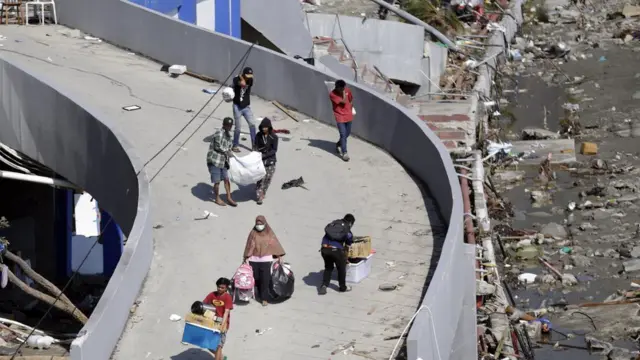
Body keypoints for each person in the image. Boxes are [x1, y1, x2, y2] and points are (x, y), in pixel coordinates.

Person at [243, 215, 286, 306]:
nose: (259, 226)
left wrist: (279, 256)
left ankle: (264, 298)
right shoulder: (253, 233)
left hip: (266, 260)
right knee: (256, 278)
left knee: (265, 279)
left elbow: (274, 244)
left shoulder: (269, 233)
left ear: (265, 224)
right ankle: (258, 292)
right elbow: (249, 245)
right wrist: (246, 256)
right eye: (257, 224)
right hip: (254, 259)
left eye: (261, 224)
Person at [319, 214, 356, 295]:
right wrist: (345, 258)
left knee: (328, 267)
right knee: (341, 268)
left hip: (324, 248)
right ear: (350, 223)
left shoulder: (335, 223)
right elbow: (347, 245)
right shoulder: (348, 231)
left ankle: (324, 285)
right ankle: (343, 287)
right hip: (336, 250)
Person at [206, 117, 237, 207]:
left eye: (230, 126)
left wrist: (230, 151)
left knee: (226, 179)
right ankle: (217, 198)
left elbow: (230, 146)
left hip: (223, 161)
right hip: (214, 160)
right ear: (224, 125)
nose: (229, 127)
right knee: (217, 181)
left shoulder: (229, 136)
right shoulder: (219, 133)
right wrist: (227, 151)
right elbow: (218, 147)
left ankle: (229, 197)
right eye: (227, 125)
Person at [203, 277, 233, 360]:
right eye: (219, 287)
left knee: (218, 346)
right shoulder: (212, 295)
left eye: (222, 288)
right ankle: (222, 357)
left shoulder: (227, 297)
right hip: (211, 322)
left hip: (222, 323)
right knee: (208, 345)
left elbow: (226, 312)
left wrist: (222, 326)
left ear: (226, 288)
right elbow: (203, 305)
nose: (220, 289)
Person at [253, 117, 279, 205]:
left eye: (266, 127)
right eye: (263, 127)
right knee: (260, 178)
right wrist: (256, 154)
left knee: (268, 178)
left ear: (269, 127)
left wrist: (265, 155)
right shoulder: (258, 135)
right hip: (260, 160)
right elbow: (255, 146)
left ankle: (263, 192)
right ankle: (259, 196)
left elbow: (274, 150)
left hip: (270, 160)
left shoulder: (274, 137)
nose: (264, 129)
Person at [231, 67, 256, 152]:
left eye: (250, 75)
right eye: (247, 75)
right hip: (237, 106)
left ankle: (254, 145)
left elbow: (244, 84)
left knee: (252, 124)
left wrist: (242, 77)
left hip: (246, 107)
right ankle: (235, 145)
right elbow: (240, 83)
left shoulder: (250, 80)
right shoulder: (236, 79)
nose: (249, 77)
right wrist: (240, 78)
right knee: (238, 127)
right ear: (243, 74)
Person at [329, 79, 354, 162]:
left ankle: (339, 144)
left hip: (348, 115)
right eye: (338, 88)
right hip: (339, 116)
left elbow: (350, 99)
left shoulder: (348, 90)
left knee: (347, 133)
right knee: (343, 134)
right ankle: (345, 153)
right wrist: (343, 92)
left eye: (341, 88)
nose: (338, 90)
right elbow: (343, 102)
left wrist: (351, 108)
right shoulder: (332, 94)